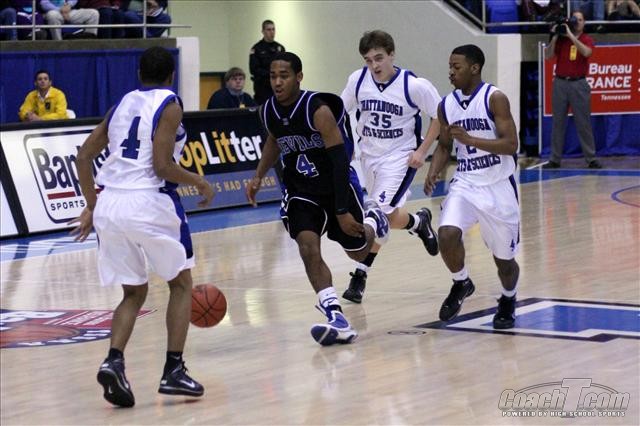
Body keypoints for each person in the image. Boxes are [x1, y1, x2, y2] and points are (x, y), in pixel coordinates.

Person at [69, 46, 215, 407]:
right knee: (181, 284)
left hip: (111, 205)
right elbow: (162, 166)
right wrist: (199, 181)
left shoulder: (121, 104)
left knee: (133, 293)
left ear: (139, 74)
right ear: (171, 76)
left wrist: (93, 206)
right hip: (149, 202)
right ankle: (173, 370)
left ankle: (113, 361)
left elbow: (84, 156)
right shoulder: (170, 104)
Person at [246, 51, 390, 346]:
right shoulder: (268, 110)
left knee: (358, 253)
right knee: (307, 246)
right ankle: (335, 315)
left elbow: (339, 161)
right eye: (273, 76)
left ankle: (375, 220)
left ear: (299, 77)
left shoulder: (317, 110)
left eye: (284, 76)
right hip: (300, 191)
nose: (277, 82)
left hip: (335, 187)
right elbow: (274, 139)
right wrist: (259, 175)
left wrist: (342, 210)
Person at [339, 30, 440, 304]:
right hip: (368, 157)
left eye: (379, 58)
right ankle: (418, 222)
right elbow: (339, 111)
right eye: (368, 60)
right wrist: (346, 146)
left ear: (392, 54)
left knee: (377, 214)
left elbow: (440, 116)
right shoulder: (358, 80)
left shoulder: (413, 85)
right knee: (389, 216)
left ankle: (359, 275)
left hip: (399, 158)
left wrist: (422, 150)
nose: (374, 65)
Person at [424, 44, 520, 330]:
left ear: (474, 68)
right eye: (450, 67)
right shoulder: (446, 105)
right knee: (447, 233)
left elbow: (511, 145)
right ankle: (461, 282)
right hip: (465, 183)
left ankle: (508, 298)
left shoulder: (495, 98)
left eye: (457, 67)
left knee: (505, 261)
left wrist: (471, 140)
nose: (451, 72)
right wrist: (433, 170)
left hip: (498, 185)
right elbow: (444, 146)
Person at [543, 10, 602, 169]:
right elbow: (548, 56)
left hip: (579, 84)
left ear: (584, 23)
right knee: (558, 123)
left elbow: (586, 52)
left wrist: (570, 35)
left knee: (583, 123)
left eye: (580, 20)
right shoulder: (562, 40)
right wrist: (555, 36)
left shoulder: (586, 39)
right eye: (575, 19)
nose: (577, 22)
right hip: (560, 83)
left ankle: (591, 158)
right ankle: (555, 159)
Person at [249, 19, 285, 104]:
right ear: (263, 31)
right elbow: (254, 69)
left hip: (278, 87)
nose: (272, 32)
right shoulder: (257, 49)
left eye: (273, 29)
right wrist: (271, 74)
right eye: (269, 30)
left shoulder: (280, 48)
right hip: (263, 88)